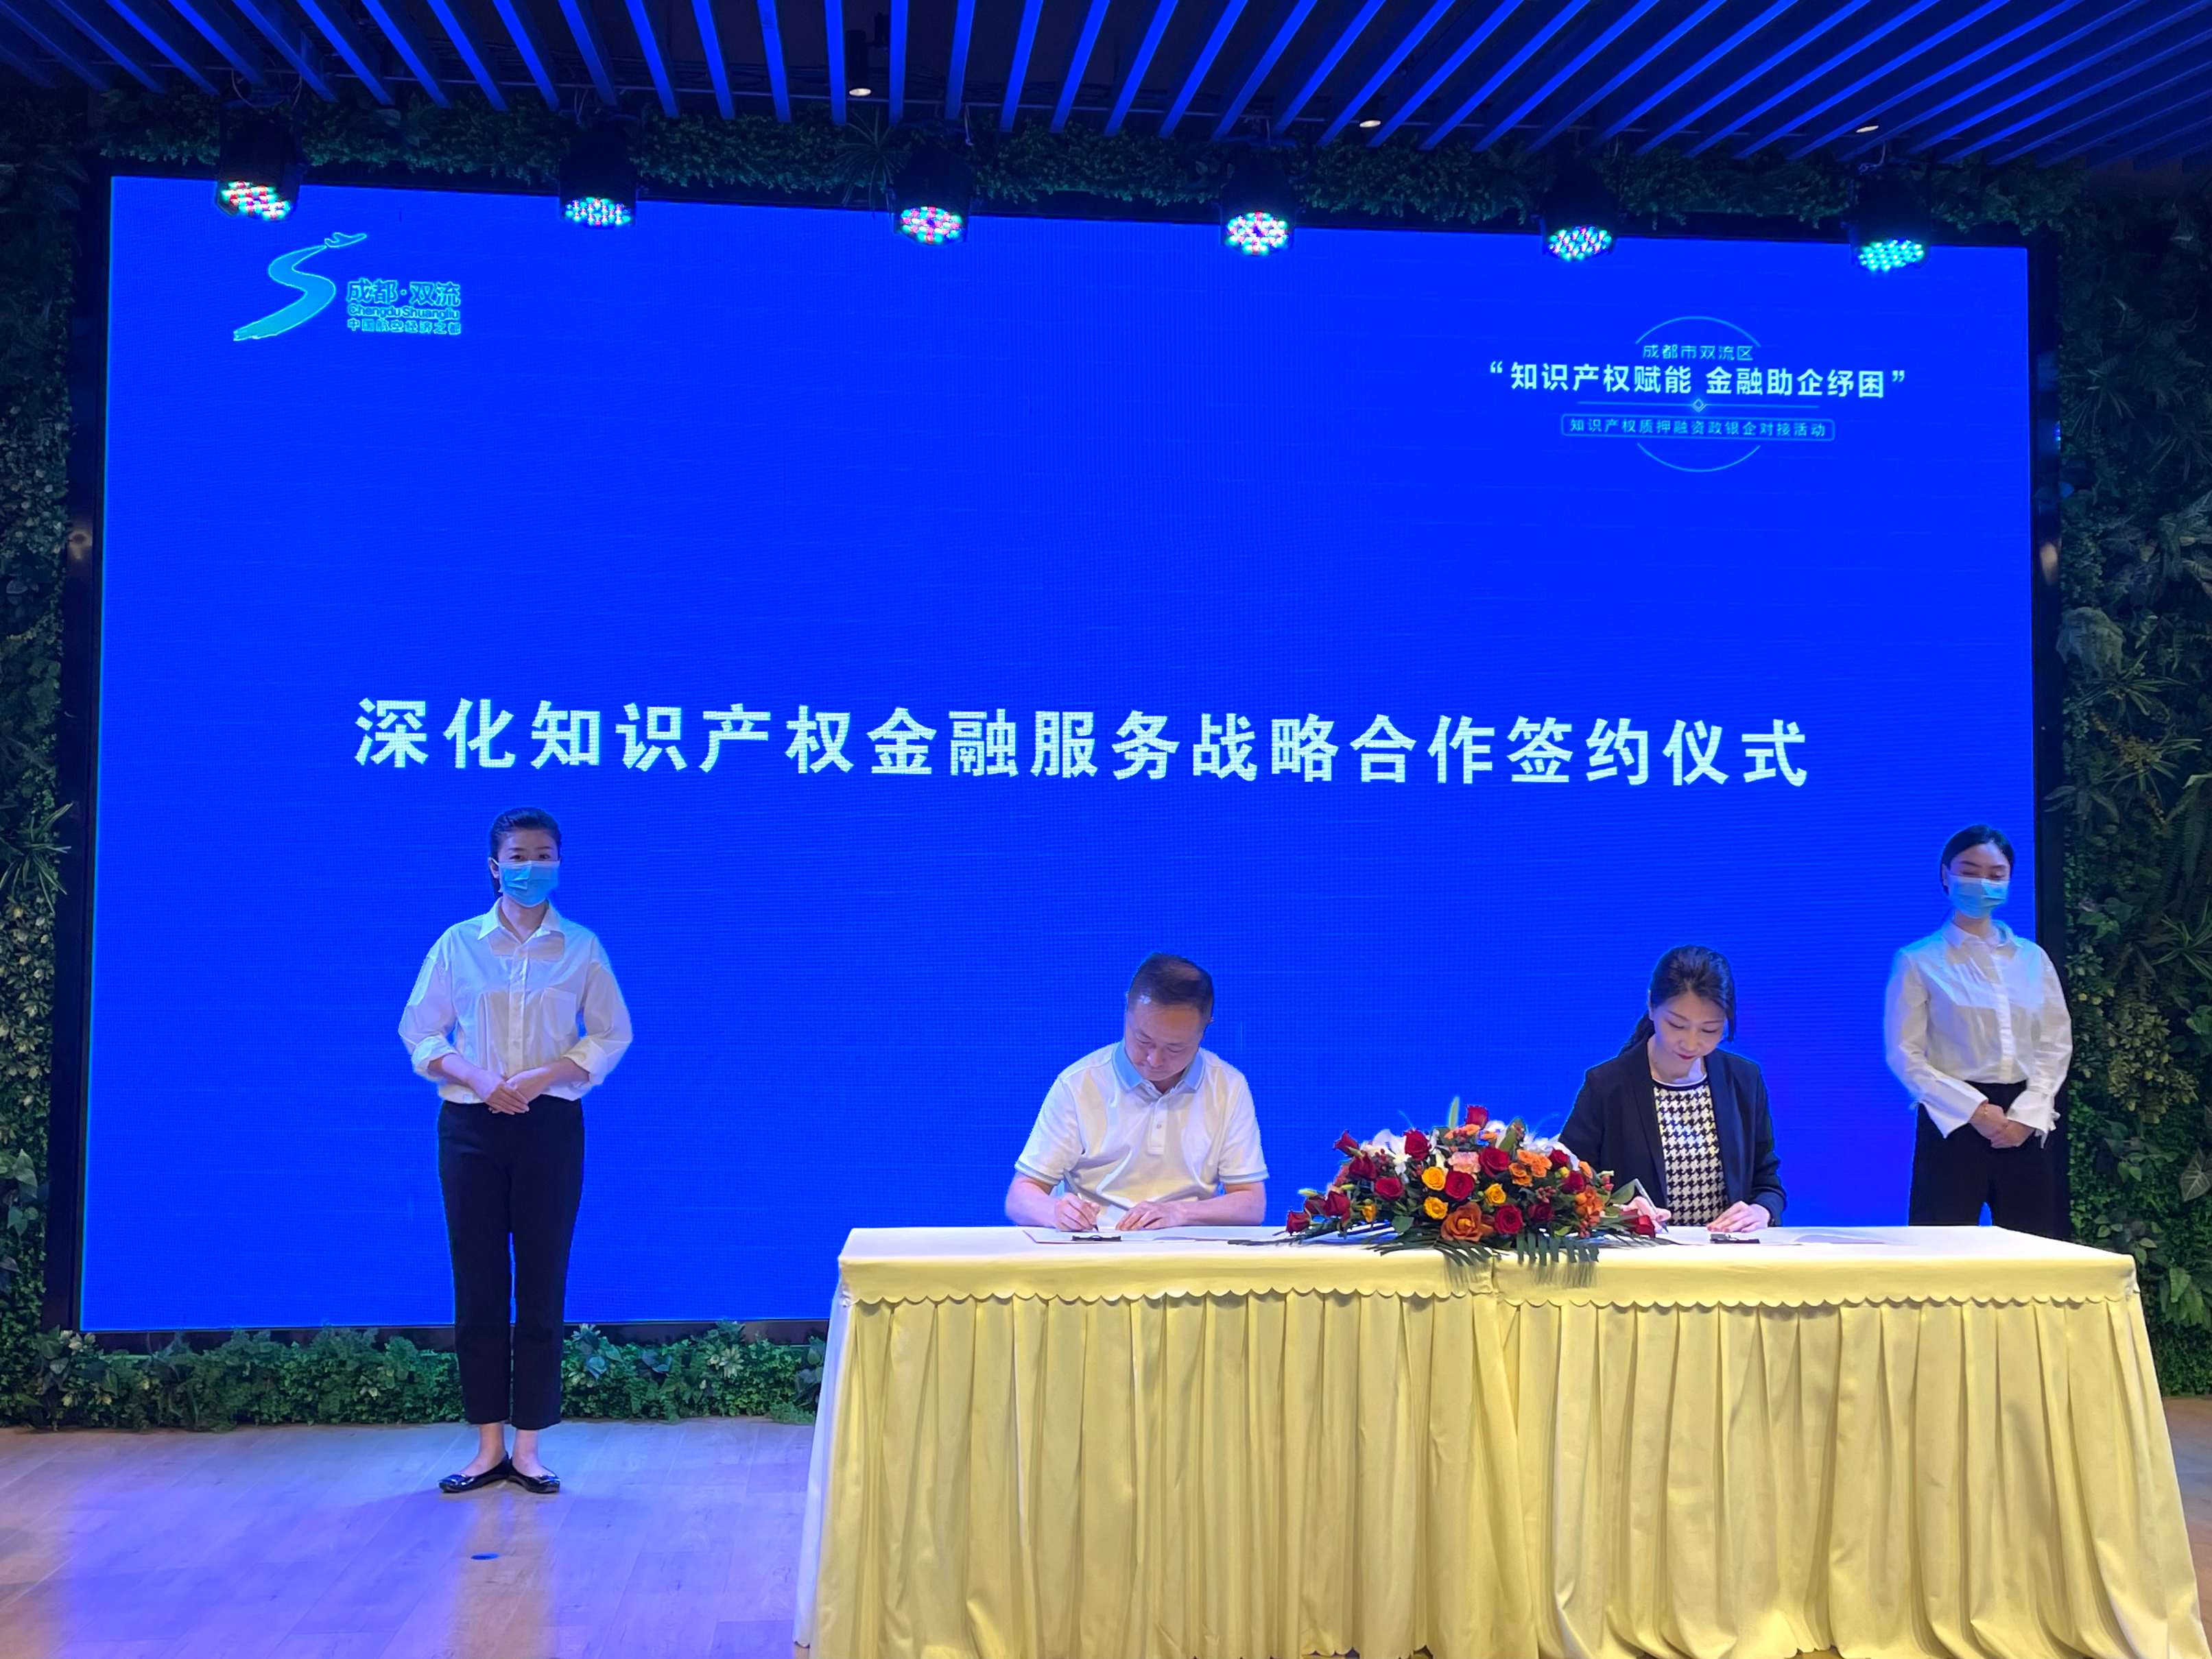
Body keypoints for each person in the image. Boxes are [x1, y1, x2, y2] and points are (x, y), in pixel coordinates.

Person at [399, 807, 632, 1494]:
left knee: (541, 1280)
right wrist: (476, 1077)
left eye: (545, 854)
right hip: (471, 1126)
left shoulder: (581, 947)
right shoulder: (458, 943)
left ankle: (529, 1446)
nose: (533, 867)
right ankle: (486, 1445)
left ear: (560, 862)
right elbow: (419, 1032)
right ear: (495, 867)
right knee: (477, 1283)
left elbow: (611, 1034)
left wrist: (543, 1075)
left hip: (548, 1124)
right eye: (520, 856)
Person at [1884, 823, 2071, 1235]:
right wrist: (1975, 1111)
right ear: (1945, 875)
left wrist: (2029, 1113)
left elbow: (2055, 1044)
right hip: (1952, 1120)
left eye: (1996, 874)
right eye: (1969, 872)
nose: (1982, 883)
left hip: (2024, 1120)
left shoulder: (2033, 959)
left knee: (2037, 1249)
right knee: (1940, 1252)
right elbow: (1904, 1054)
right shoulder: (1918, 960)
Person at [1006, 954, 1268, 1231]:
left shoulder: (1228, 1086)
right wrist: (1056, 1212)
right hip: (1096, 1243)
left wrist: (1178, 1213)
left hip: (1185, 1246)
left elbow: (1251, 1204)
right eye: (1143, 1040)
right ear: (1127, 1009)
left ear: (1205, 1029)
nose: (1154, 1060)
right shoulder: (1079, 1084)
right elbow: (1020, 1196)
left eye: (1175, 1048)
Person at [1560, 946, 1785, 1233]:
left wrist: (1761, 1211)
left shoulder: (1744, 1079)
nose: (1691, 1043)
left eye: (1709, 1030)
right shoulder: (1607, 1085)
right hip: (1640, 1253)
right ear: (1651, 1006)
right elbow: (1569, 1182)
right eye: (1677, 1025)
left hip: (1726, 1252)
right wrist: (1614, 1210)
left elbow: (1767, 1182)